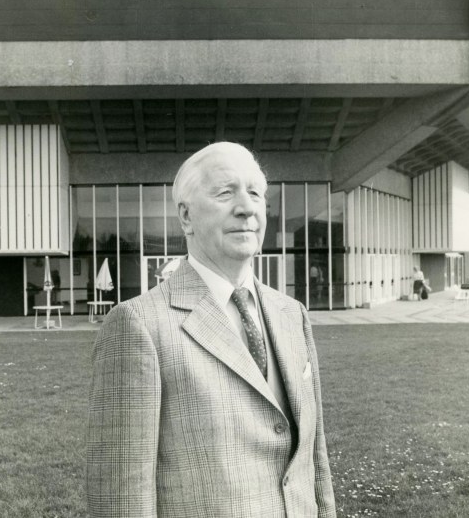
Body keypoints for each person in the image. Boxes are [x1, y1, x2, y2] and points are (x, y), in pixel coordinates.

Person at [86, 142, 336, 517]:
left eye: (255, 192)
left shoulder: (292, 314)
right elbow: (121, 498)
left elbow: (315, 461)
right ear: (185, 217)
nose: (247, 207)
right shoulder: (138, 325)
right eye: (225, 192)